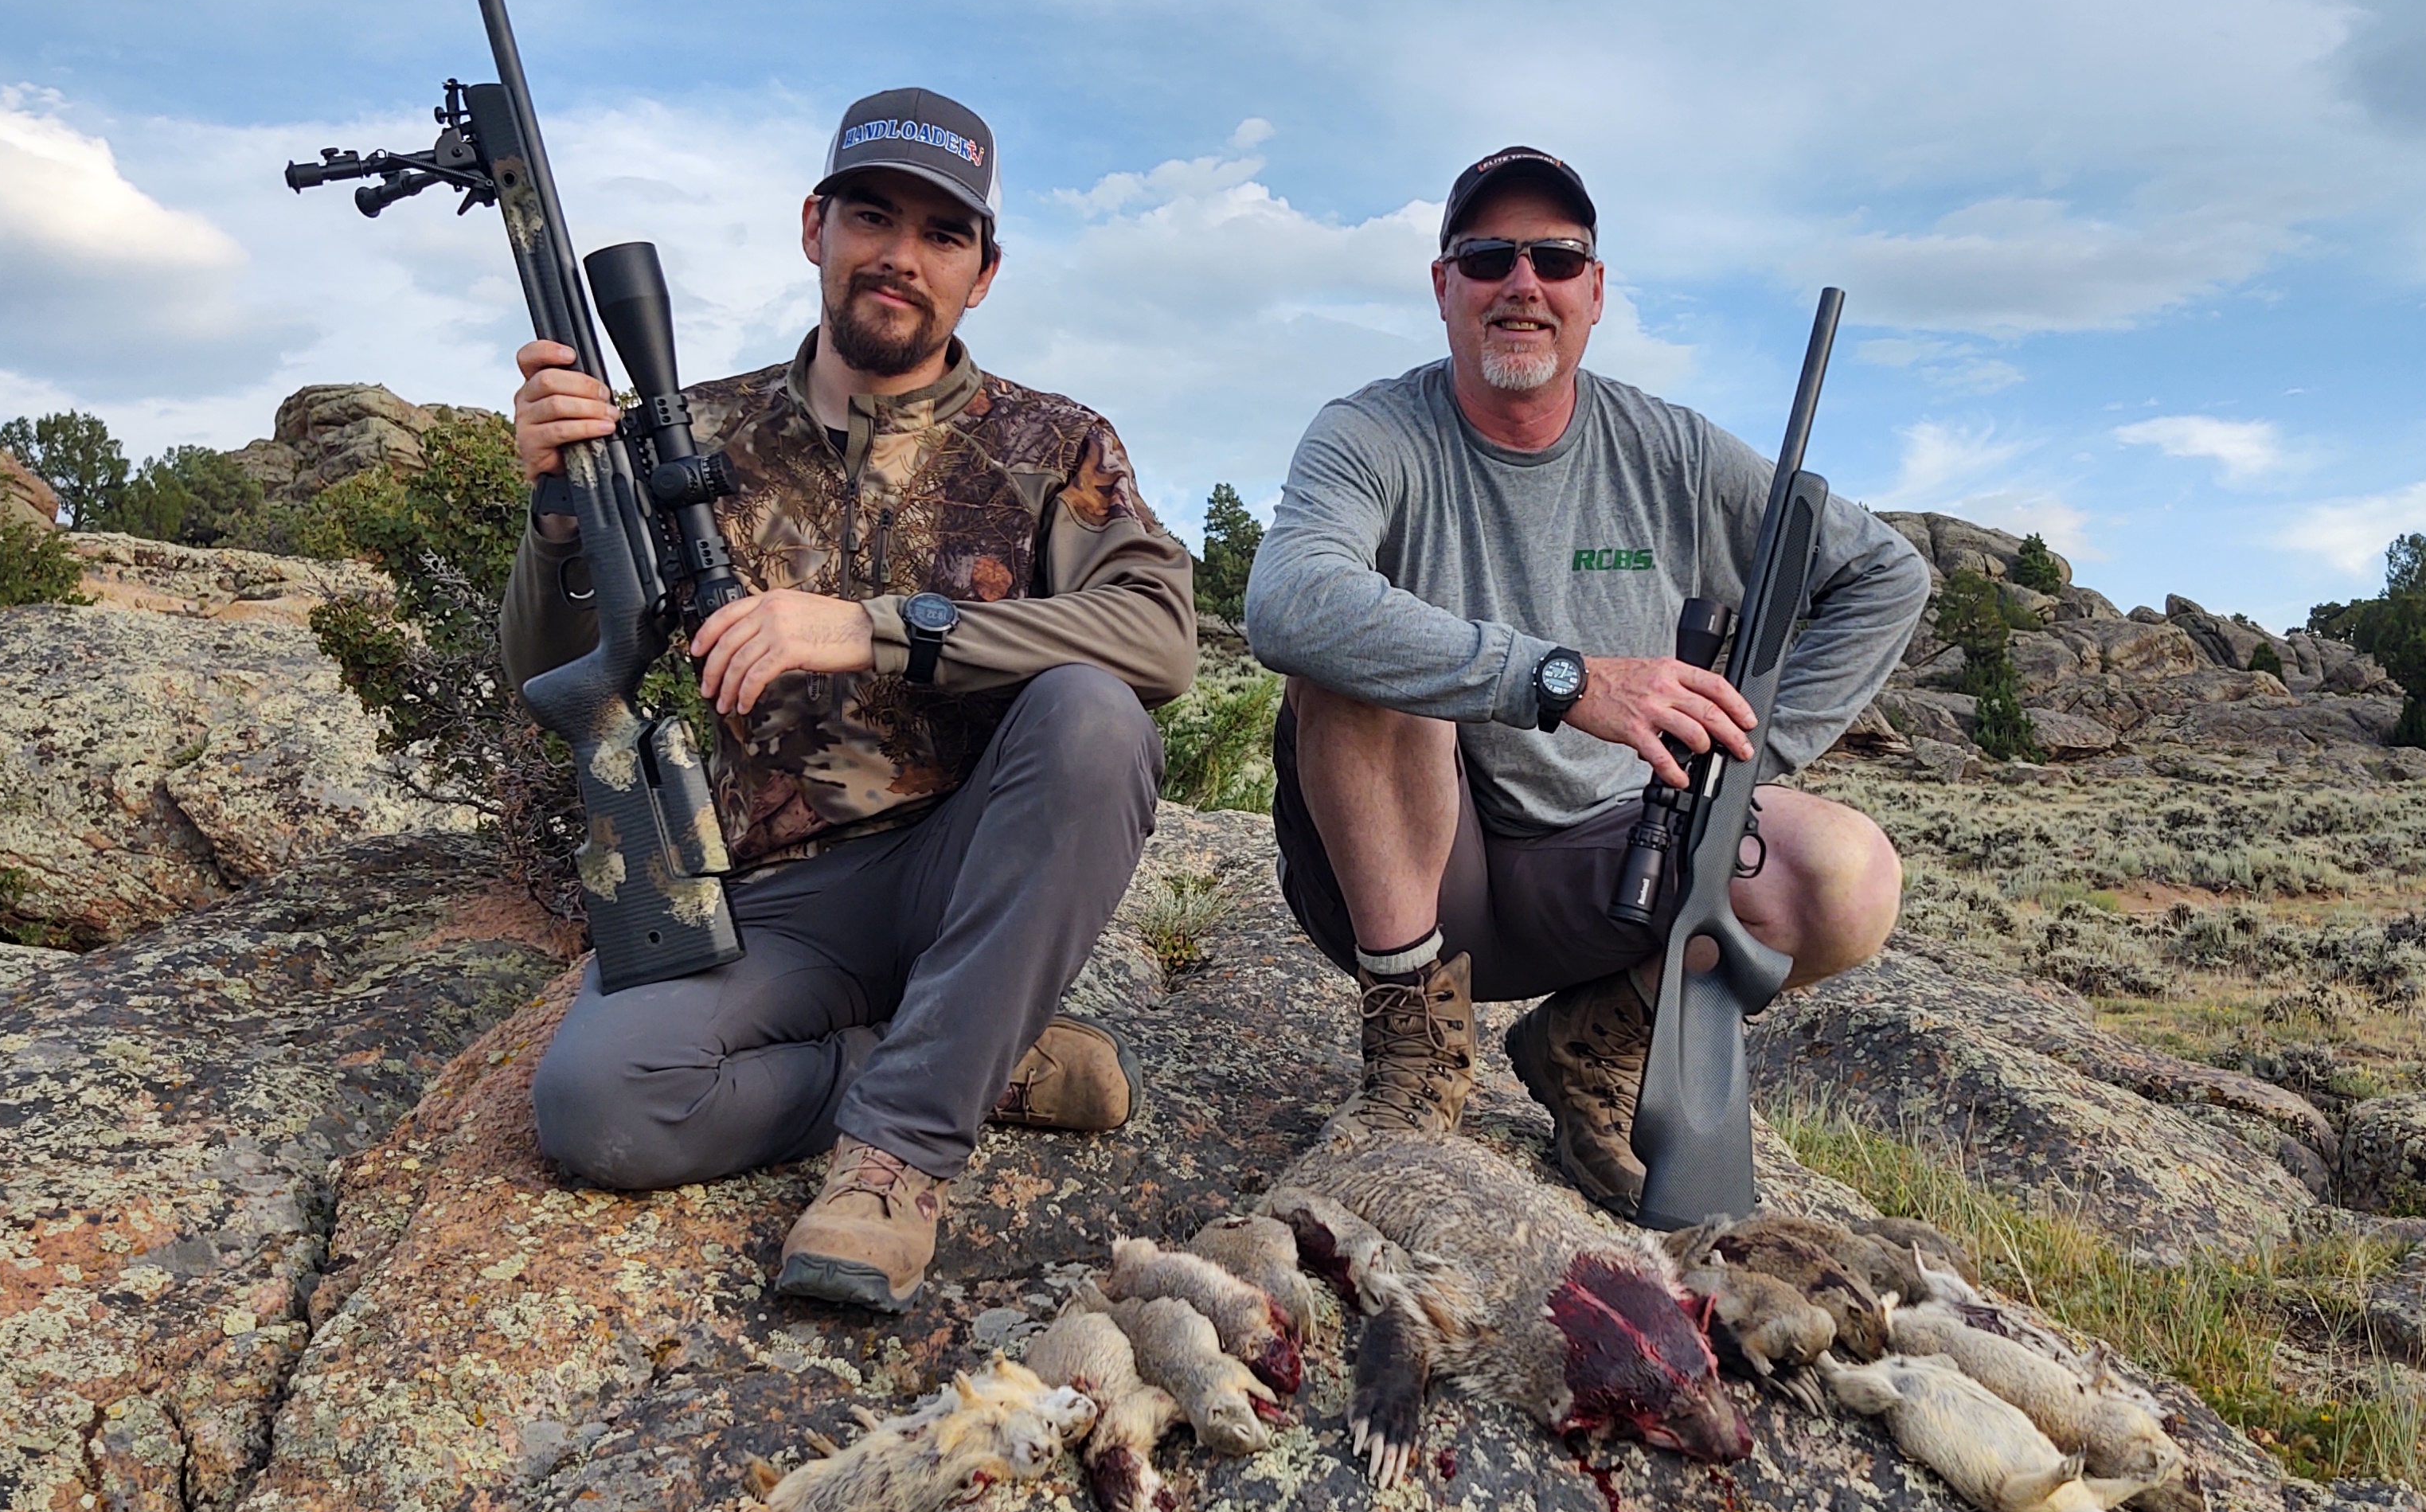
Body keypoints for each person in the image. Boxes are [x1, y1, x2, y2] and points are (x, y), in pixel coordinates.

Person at [502, 88, 1197, 1309]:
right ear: (814, 225)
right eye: (872, 217)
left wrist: (873, 631)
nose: (901, 257)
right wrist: (561, 515)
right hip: (775, 902)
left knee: (1096, 716)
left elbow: (1157, 639)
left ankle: (897, 1154)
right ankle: (965, 1055)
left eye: (943, 235)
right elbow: (548, 664)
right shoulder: (691, 431)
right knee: (600, 1107)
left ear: (982, 274)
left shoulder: (1054, 444)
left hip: (972, 876)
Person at [1244, 146, 1926, 1205]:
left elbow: (1884, 573)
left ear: (1595, 292)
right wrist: (1560, 680)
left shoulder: (1675, 452)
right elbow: (1290, 600)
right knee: (1355, 661)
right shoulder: (1370, 432)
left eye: (1557, 258)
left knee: (1851, 876)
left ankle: (1592, 1048)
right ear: (1443, 286)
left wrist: (1739, 757)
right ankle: (1416, 1054)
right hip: (1416, 872)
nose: (1523, 283)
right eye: (1488, 256)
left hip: (1621, 866)